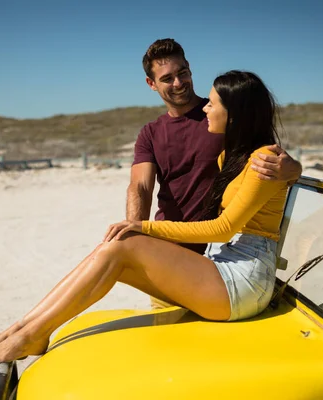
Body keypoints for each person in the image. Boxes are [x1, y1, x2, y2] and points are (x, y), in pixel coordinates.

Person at [0, 69, 290, 368]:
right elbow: (140, 185)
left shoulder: (264, 159)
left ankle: (31, 333)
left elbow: (224, 228)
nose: (205, 106)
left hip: (243, 282)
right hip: (221, 269)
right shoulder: (228, 155)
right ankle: (24, 329)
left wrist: (141, 226)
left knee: (123, 243)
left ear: (235, 115)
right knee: (113, 248)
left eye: (213, 103)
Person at [129, 38, 302, 309]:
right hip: (169, 252)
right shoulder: (150, 133)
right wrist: (134, 233)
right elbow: (140, 187)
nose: (178, 82)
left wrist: (295, 168)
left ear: (190, 68)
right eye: (167, 78)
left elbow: (263, 159)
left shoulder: (221, 116)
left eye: (182, 72)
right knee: (168, 339)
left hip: (221, 257)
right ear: (151, 84)